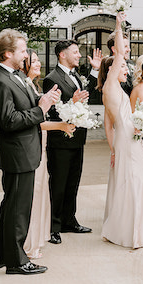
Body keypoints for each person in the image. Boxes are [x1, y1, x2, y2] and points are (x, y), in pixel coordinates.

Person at [0, 29, 60, 275]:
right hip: (17, 154)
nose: (25, 54)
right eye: (21, 50)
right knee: (18, 210)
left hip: (26, 151)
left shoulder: (16, 76)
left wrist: (45, 99)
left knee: (11, 206)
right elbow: (8, 120)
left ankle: (0, 255)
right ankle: (17, 262)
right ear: (8, 54)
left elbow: (30, 104)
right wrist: (41, 110)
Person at [99, 12, 143, 249]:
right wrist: (118, 25)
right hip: (128, 139)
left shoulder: (115, 90)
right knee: (134, 181)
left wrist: (113, 149)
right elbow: (120, 52)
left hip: (128, 138)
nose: (126, 68)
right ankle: (132, 233)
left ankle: (130, 230)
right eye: (122, 66)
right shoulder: (111, 85)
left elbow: (109, 125)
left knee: (135, 180)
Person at [21, 50, 75, 259]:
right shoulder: (25, 87)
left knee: (41, 191)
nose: (38, 63)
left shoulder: (32, 86)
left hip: (39, 146)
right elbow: (37, 121)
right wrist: (61, 125)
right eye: (33, 61)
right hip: (34, 147)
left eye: (37, 60)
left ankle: (36, 238)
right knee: (34, 194)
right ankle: (28, 242)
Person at [43, 40, 93, 245]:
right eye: (75, 52)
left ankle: (69, 220)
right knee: (58, 184)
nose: (79, 55)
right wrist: (72, 102)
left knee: (73, 182)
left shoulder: (76, 77)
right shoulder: (51, 79)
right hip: (60, 141)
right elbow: (51, 110)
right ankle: (53, 226)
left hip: (77, 138)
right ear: (62, 55)